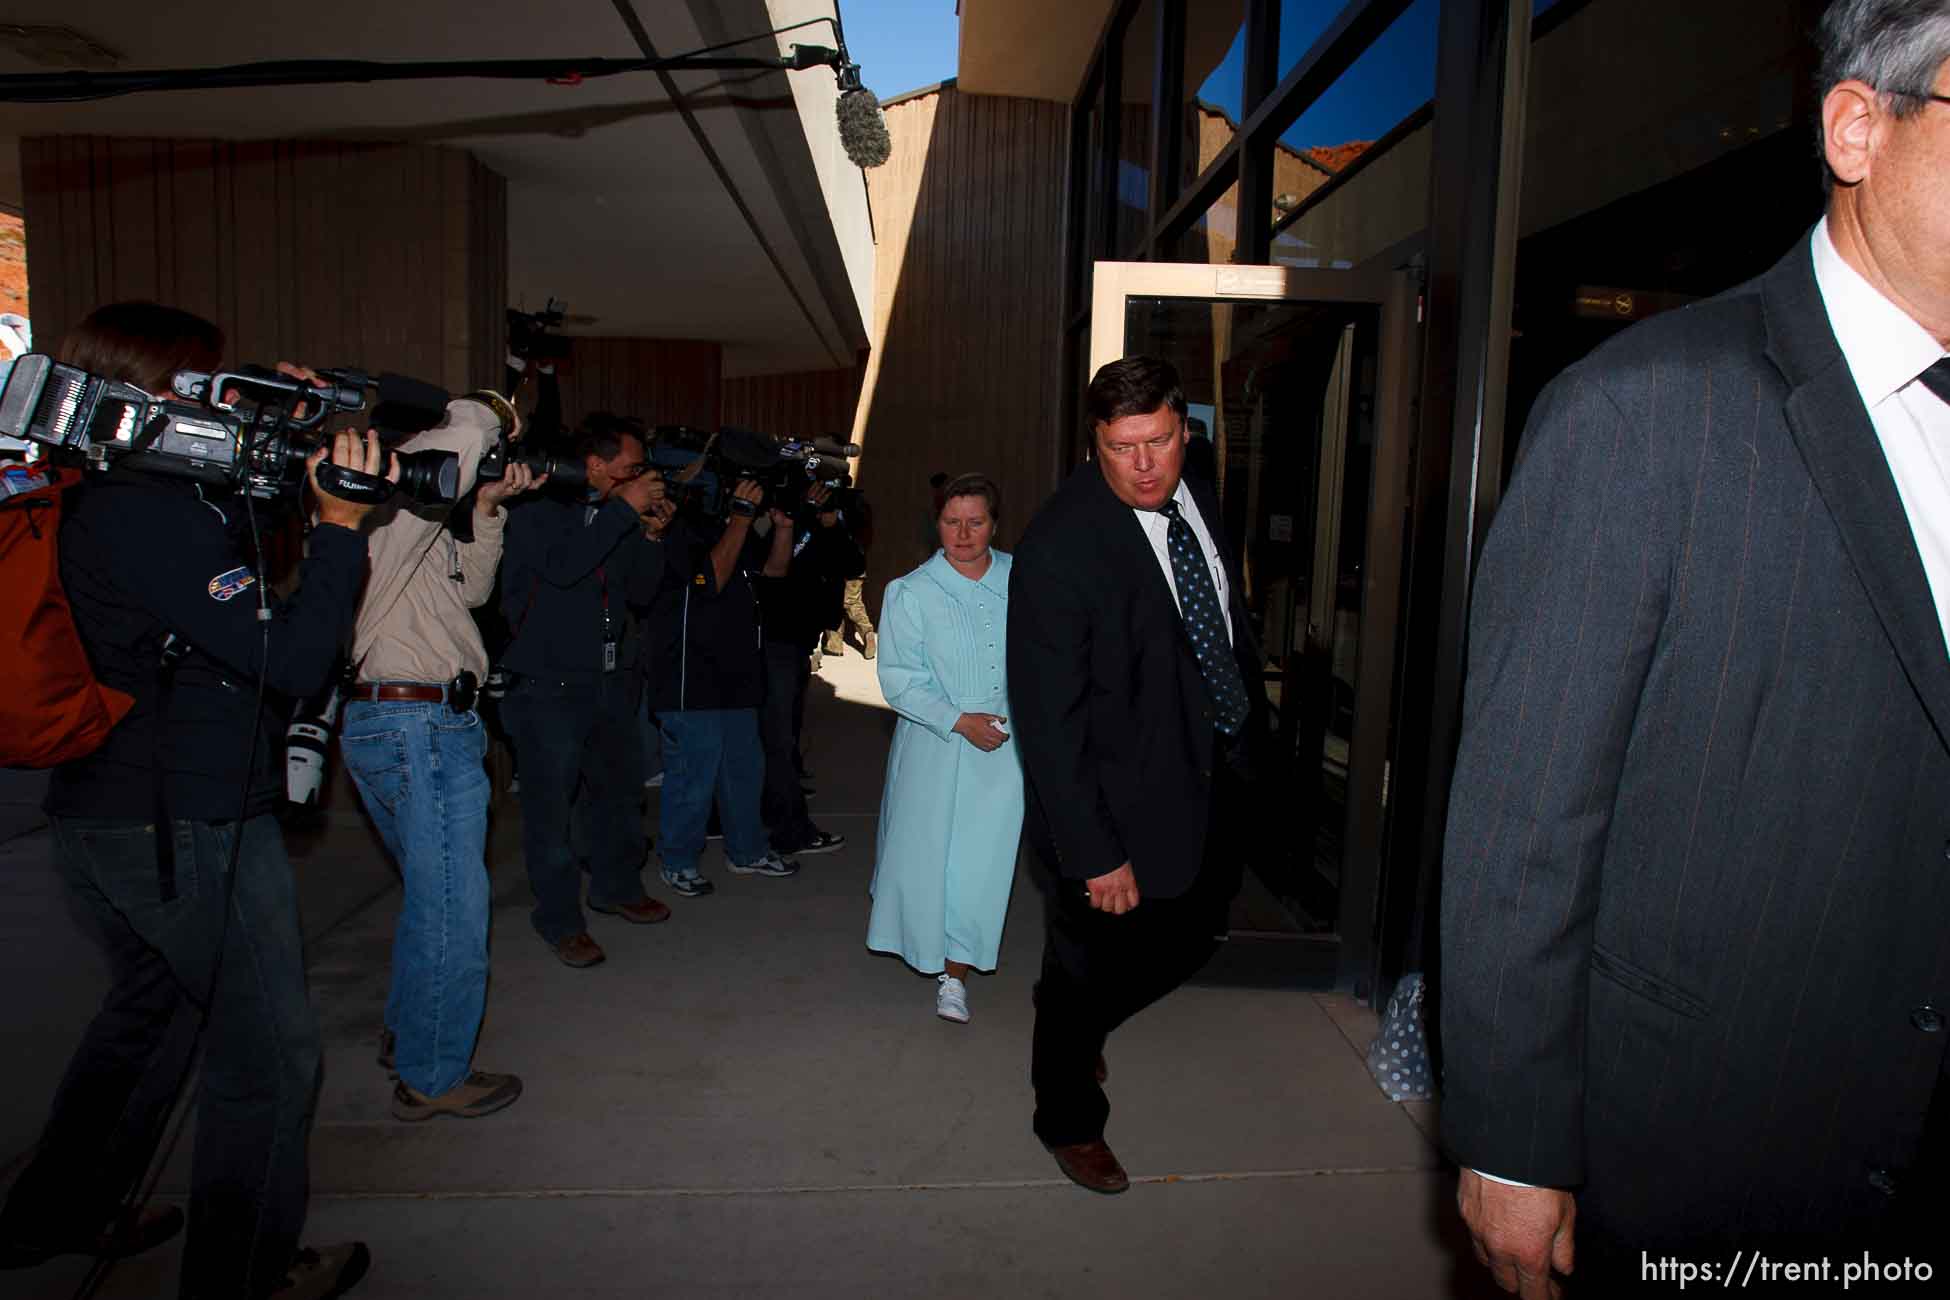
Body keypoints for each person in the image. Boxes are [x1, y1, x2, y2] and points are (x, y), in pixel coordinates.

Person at [1441, 2, 1950, 1292]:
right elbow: (1525, 820)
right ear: (1858, 128)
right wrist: (1509, 1136)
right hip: (1711, 1158)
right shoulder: (1647, 410)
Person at [0, 302, 382, 1297]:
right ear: (138, 394)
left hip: (111, 815)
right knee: (269, 1054)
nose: (211, 410)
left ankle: (54, 1212)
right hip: (184, 824)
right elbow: (294, 657)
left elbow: (236, 587)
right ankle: (243, 1273)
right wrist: (342, 529)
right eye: (194, 390)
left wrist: (286, 462)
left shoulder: (119, 494)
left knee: (153, 1015)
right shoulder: (145, 511)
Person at [1008, 356, 1264, 1195]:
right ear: (1096, 443)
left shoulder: (1201, 491)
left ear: (1183, 430)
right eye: (1122, 449)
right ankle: (1068, 1116)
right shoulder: (1059, 548)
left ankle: (1076, 1030)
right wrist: (1094, 854)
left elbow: (1219, 610)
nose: (1144, 465)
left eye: (1157, 441)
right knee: (1081, 971)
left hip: (1206, 767)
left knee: (1195, 928)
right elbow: (1048, 728)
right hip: (1107, 808)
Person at [340, 393, 545, 1121]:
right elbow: (458, 437)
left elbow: (474, 589)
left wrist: (488, 508)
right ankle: (433, 1073)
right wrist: (488, 409)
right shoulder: (388, 516)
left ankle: (413, 1037)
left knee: (435, 903)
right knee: (455, 910)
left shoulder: (407, 532)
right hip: (413, 725)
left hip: (418, 723)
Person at [498, 415, 674, 969]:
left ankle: (616, 887)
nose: (642, 475)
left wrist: (649, 535)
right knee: (552, 813)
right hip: (548, 688)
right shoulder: (536, 512)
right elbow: (565, 569)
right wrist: (623, 513)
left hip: (609, 679)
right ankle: (558, 919)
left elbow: (640, 593)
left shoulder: (614, 519)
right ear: (596, 465)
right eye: (632, 466)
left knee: (619, 795)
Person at [867, 475, 1023, 1022]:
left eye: (975, 522)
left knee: (984, 860)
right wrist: (958, 720)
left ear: (994, 525)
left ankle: (956, 973)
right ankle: (934, 955)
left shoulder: (1022, 579)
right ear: (936, 525)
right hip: (935, 741)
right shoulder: (911, 591)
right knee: (927, 856)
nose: (963, 534)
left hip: (1004, 746)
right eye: (951, 522)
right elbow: (901, 679)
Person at [646, 478, 801, 897]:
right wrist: (740, 519)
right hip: (688, 678)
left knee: (744, 772)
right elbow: (708, 581)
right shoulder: (669, 534)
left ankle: (747, 850)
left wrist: (784, 527)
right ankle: (677, 860)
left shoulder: (728, 527)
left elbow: (773, 572)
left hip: (737, 676)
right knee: (693, 776)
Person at [753, 482, 860, 857]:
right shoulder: (763, 521)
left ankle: (766, 813)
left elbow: (852, 564)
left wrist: (828, 524)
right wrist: (790, 523)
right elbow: (771, 573)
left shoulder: (815, 524)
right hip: (770, 641)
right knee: (776, 741)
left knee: (778, 739)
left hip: (796, 641)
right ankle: (789, 830)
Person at [821, 496, 877, 660]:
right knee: (853, 602)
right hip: (857, 563)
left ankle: (835, 644)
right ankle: (867, 633)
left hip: (835, 564)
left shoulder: (831, 505)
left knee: (833, 602)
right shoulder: (861, 507)